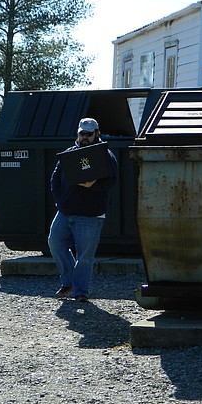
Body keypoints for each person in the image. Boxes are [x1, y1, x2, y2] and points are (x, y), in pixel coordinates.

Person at [48, 117, 118, 303]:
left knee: (85, 256)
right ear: (77, 134)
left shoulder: (106, 155)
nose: (85, 137)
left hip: (91, 216)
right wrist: (60, 202)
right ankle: (69, 280)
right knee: (55, 243)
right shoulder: (69, 154)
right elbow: (55, 180)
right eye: (82, 133)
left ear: (97, 133)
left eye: (89, 133)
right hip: (65, 212)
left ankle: (80, 292)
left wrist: (90, 185)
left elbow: (110, 181)